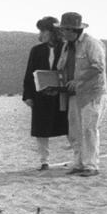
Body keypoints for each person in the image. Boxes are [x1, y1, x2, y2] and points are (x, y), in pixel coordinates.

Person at [57, 12, 107, 177]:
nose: (62, 33)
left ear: (73, 30)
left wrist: (78, 80)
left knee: (89, 129)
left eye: (64, 30)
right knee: (74, 130)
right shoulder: (67, 46)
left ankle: (91, 165)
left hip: (91, 93)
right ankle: (79, 163)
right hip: (73, 94)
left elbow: (98, 66)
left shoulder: (92, 44)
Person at [22, 16, 69, 170]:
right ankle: (44, 161)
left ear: (52, 31)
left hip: (61, 94)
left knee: (69, 126)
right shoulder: (36, 50)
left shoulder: (66, 48)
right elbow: (29, 73)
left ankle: (79, 158)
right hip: (40, 95)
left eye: (44, 30)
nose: (41, 34)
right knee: (41, 129)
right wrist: (28, 95)